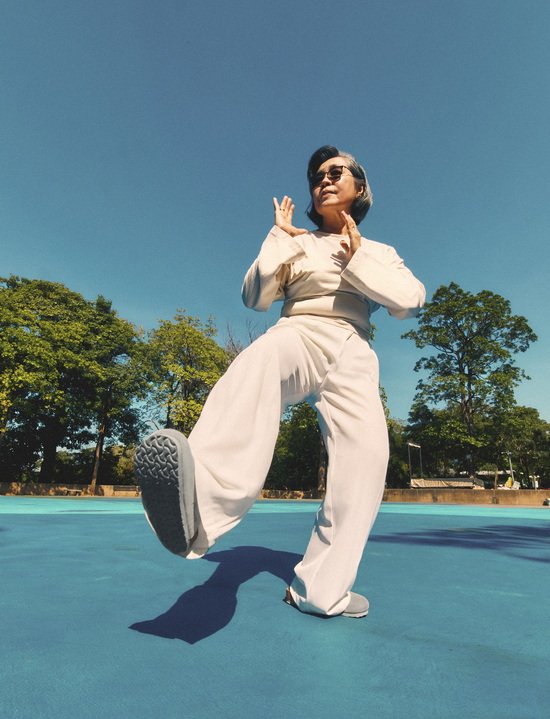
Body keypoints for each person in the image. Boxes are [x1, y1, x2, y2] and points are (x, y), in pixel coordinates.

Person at [135, 144, 426, 619]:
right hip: (300, 331)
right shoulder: (296, 241)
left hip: (354, 349)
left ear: (360, 187)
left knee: (368, 460)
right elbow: (255, 298)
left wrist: (358, 258)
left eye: (336, 172)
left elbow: (409, 301)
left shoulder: (379, 251)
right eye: (317, 177)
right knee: (260, 361)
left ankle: (321, 591)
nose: (323, 180)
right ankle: (196, 507)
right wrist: (278, 239)